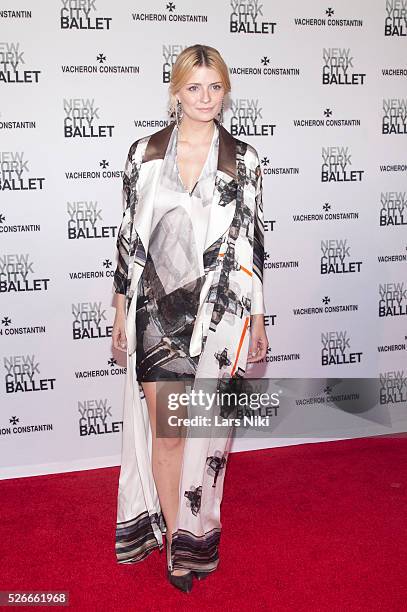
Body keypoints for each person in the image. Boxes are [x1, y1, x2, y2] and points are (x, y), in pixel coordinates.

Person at [112, 44, 268, 593]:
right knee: (170, 434)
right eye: (194, 87)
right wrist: (117, 314)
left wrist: (260, 321)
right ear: (176, 91)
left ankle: (197, 527)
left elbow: (253, 245)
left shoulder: (243, 160)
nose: (205, 98)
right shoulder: (143, 154)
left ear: (226, 92)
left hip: (220, 315)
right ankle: (179, 542)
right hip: (155, 312)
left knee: (209, 435)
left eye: (215, 87)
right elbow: (128, 241)